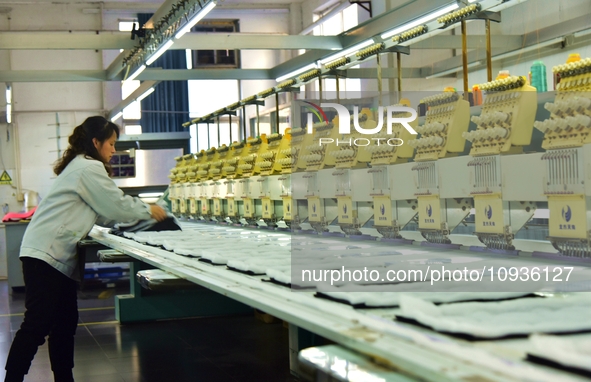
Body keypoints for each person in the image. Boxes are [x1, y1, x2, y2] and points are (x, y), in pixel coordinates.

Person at [4, 116, 167, 382]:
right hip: (46, 255)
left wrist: (134, 218)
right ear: (96, 142)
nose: (114, 150)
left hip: (54, 257)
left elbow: (103, 212)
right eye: (111, 144)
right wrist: (149, 210)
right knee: (37, 324)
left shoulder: (81, 166)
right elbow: (115, 205)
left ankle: (64, 378)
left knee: (65, 323)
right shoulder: (89, 168)